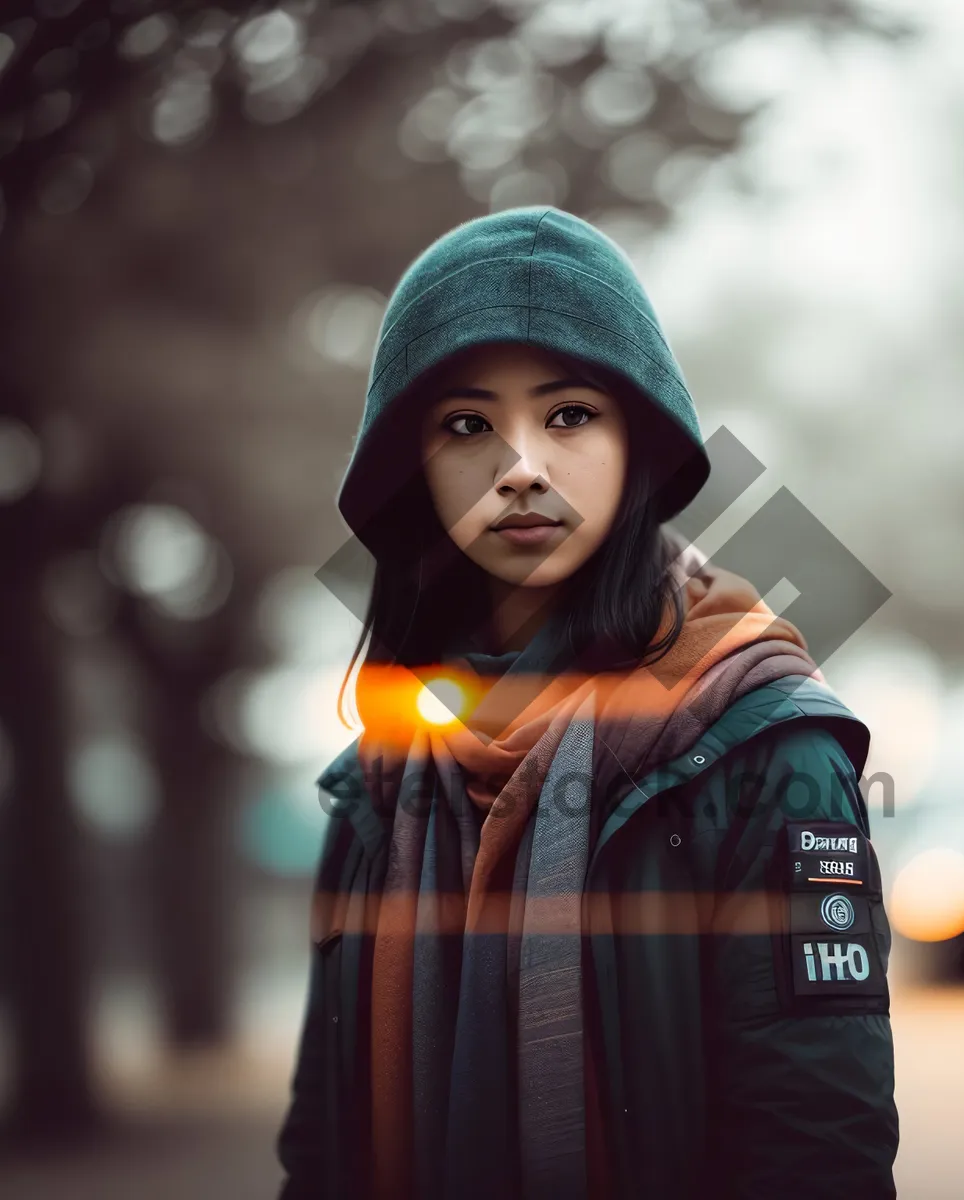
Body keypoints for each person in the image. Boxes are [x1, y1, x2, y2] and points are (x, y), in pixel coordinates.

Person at [275, 206, 899, 1200]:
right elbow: (321, 1152)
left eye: (570, 415)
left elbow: (817, 1149)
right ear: (414, 470)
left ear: (636, 447)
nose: (521, 467)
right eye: (468, 425)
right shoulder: (373, 785)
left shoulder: (769, 750)